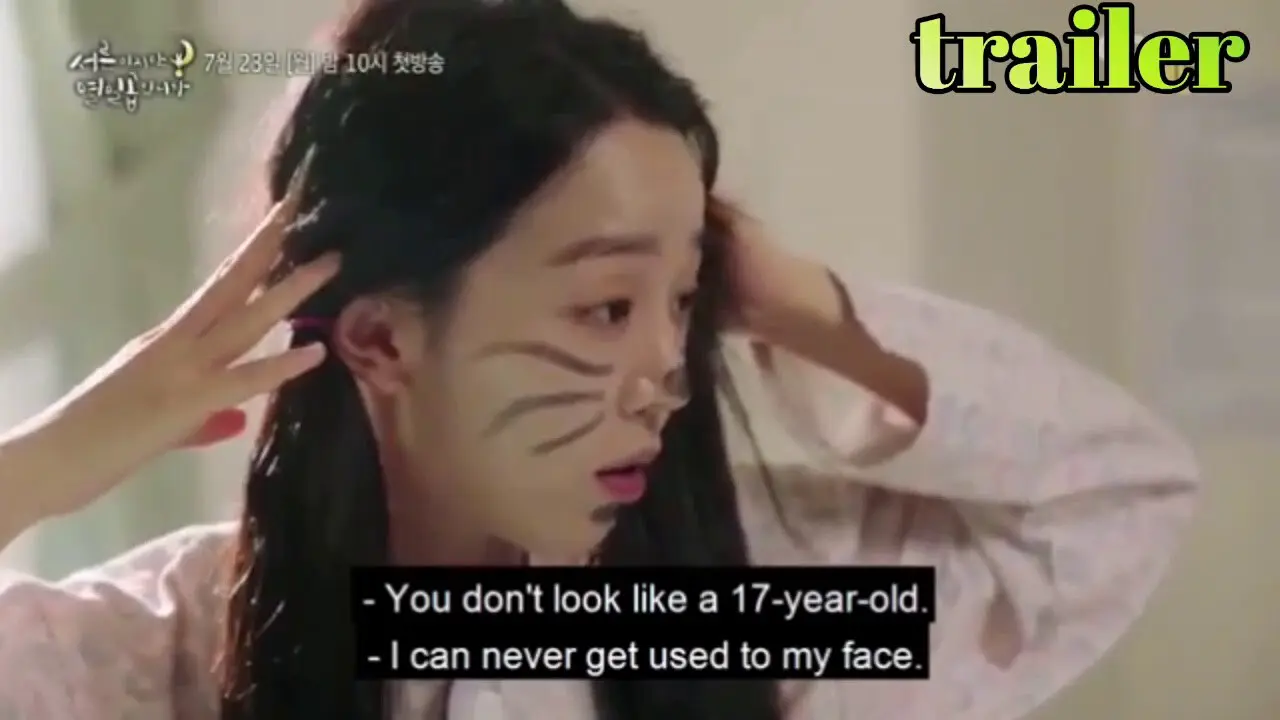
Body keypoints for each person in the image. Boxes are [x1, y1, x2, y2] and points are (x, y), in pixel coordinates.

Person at [0, 0, 1199, 718]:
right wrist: (50, 461)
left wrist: (808, 308)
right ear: (379, 337)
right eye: (603, 307)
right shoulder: (168, 647)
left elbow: (1111, 504)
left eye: (681, 301)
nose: (662, 376)